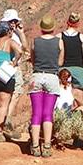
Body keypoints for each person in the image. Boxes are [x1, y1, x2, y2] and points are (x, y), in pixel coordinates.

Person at [29, 15, 64, 157]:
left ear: (42, 29)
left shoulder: (35, 42)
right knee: (48, 114)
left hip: (37, 76)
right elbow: (60, 62)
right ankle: (47, 146)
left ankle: (35, 146)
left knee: (36, 113)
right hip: (52, 77)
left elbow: (32, 59)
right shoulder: (59, 42)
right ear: (53, 28)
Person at [0, 9, 28, 137]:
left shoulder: (10, 34)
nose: (14, 23)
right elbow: (22, 50)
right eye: (12, 21)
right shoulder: (7, 35)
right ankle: (5, 123)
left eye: (15, 21)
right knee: (13, 94)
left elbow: (24, 47)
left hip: (1, 68)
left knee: (4, 99)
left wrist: (21, 33)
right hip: (9, 68)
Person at [57, 12, 83, 106]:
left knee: (63, 96)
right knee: (77, 97)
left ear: (67, 22)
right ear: (78, 23)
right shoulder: (82, 37)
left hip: (63, 70)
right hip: (78, 69)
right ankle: (78, 116)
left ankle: (63, 118)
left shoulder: (59, 37)